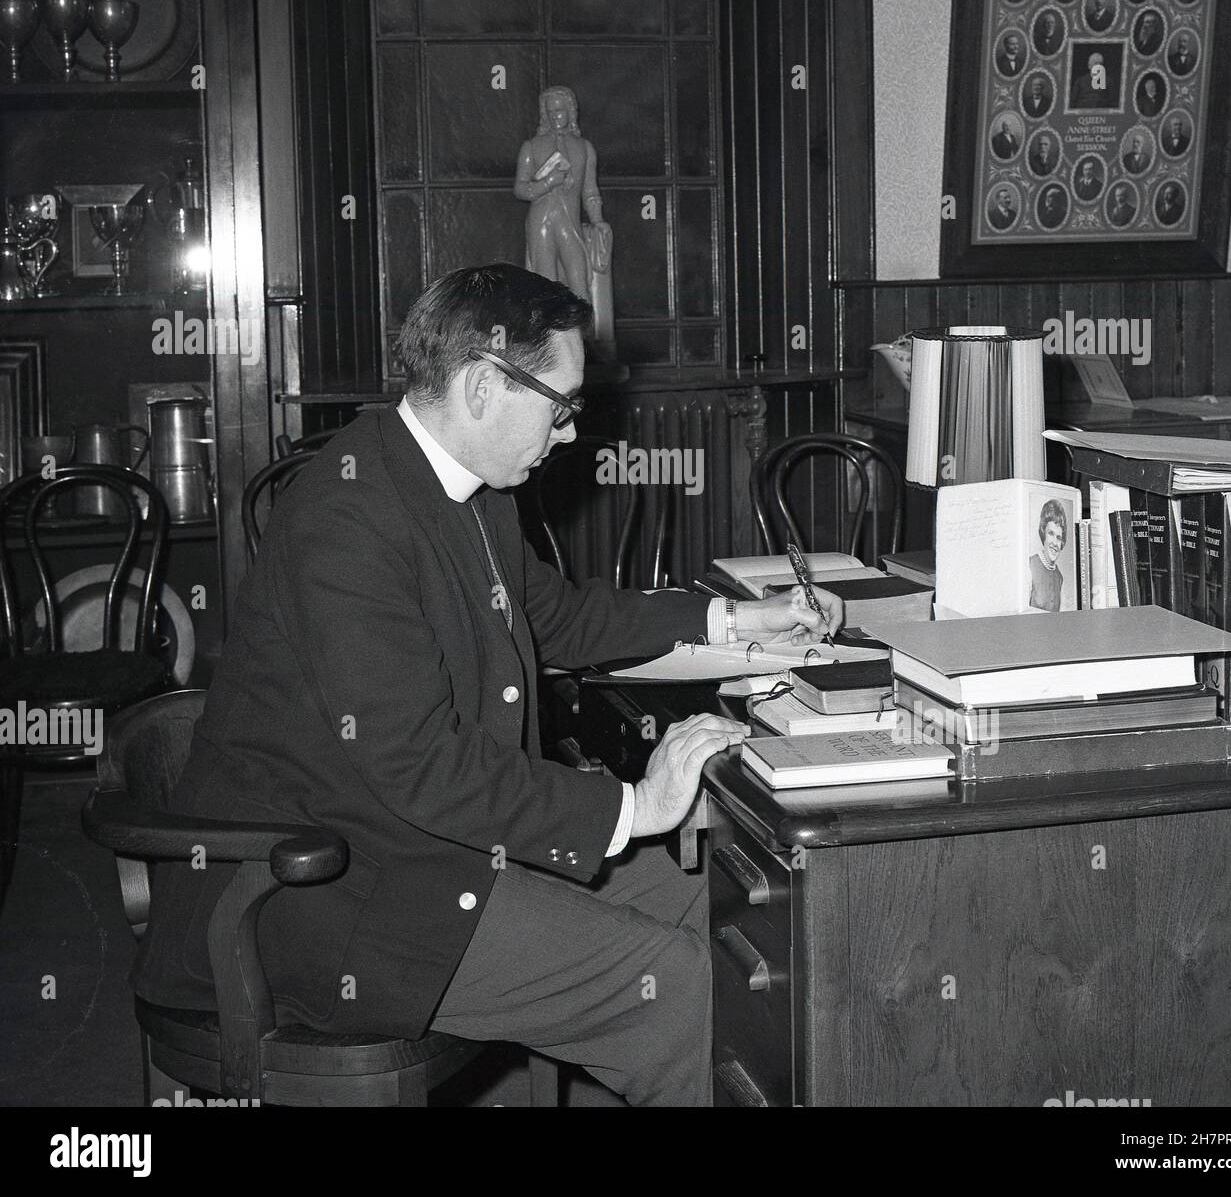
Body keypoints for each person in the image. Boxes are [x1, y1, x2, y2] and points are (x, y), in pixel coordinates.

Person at [131, 263, 844, 1107]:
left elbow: (565, 619)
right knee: (673, 983)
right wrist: (634, 807)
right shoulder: (344, 520)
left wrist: (733, 622)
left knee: (717, 893)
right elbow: (420, 766)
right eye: (563, 404)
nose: (572, 431)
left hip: (431, 845)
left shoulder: (463, 488)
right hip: (329, 892)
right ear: (480, 385)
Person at [515, 86, 612, 311]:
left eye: (559, 110)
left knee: (579, 280)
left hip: (570, 222)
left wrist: (598, 220)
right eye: (549, 111)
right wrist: (548, 182)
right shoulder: (531, 147)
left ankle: (582, 337)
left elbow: (590, 191)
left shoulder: (584, 148)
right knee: (544, 284)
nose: (554, 116)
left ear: (571, 111)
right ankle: (550, 339)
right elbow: (520, 189)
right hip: (541, 221)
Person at [1028, 499, 1068, 611]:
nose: (1055, 543)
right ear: (1043, 533)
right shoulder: (1029, 565)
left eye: (1059, 537)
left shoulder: (1060, 578)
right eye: (1051, 533)